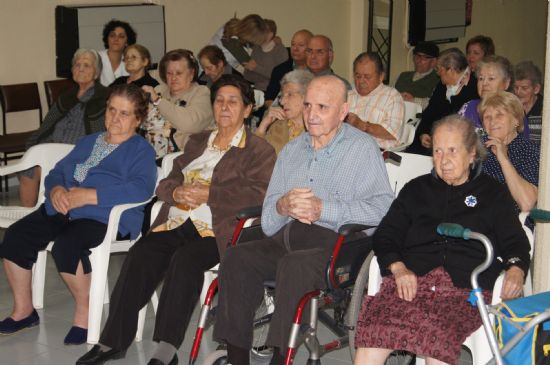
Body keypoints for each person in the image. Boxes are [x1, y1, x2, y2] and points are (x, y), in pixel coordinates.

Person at [76, 74, 277, 365]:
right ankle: (112, 342)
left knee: (185, 260)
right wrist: (177, 190)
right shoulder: (198, 142)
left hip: (218, 229)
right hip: (177, 220)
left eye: (233, 102)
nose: (224, 107)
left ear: (247, 110)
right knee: (141, 254)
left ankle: (165, 350)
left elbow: (260, 194)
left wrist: (211, 193)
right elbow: (165, 183)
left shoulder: (258, 150)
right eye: (219, 101)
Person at [213, 75, 394, 365]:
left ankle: (280, 359)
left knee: (292, 265)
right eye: (308, 105)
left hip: (337, 245)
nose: (311, 114)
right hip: (285, 238)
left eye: (322, 107)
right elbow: (271, 221)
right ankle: (237, 359)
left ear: (343, 111)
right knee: (236, 258)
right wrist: (282, 206)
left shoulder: (361, 148)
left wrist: (325, 210)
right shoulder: (291, 150)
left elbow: (384, 208)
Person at [354, 115, 531, 365]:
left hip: (463, 290)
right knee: (372, 337)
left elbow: (516, 241)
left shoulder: (492, 193)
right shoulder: (416, 189)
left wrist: (516, 268)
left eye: (452, 150)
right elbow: (386, 234)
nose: (444, 160)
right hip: (410, 284)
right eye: (437, 151)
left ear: (471, 154)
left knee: (436, 342)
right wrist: (398, 267)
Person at [0, 84, 157, 345]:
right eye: (112, 110)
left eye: (124, 113)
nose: (115, 118)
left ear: (138, 120)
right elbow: (57, 172)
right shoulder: (88, 141)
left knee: (67, 247)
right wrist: (57, 189)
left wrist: (89, 195)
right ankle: (23, 311)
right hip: (64, 208)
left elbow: (141, 188)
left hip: (104, 216)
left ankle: (84, 313)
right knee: (16, 237)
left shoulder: (141, 150)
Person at [21, 49, 109, 207]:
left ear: (96, 73)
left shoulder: (103, 98)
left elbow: (102, 134)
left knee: (46, 166)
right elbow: (46, 126)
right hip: (52, 146)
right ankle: (27, 214)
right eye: (77, 64)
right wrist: (32, 145)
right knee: (30, 165)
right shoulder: (66, 96)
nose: (80, 68)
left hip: (79, 151)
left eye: (86, 65)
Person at [141, 49, 213, 161]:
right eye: (169, 73)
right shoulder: (158, 90)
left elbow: (189, 123)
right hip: (148, 157)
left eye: (179, 73)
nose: (173, 78)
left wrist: (158, 101)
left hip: (184, 161)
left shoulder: (201, 92)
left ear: (191, 73)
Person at [407, 48, 479, 155]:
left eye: (439, 69)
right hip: (436, 136)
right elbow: (430, 110)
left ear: (451, 70)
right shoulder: (442, 85)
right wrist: (424, 132)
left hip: (457, 141)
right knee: (414, 150)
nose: (438, 73)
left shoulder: (474, 87)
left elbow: (463, 122)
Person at [479, 91, 539, 213]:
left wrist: (503, 158)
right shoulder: (475, 147)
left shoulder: (528, 150)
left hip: (510, 223)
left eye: (499, 115)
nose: (493, 121)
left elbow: (527, 203)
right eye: (487, 117)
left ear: (516, 120)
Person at [459, 55, 529, 137]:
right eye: (481, 78)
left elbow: (524, 145)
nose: (484, 83)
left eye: (491, 78)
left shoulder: (515, 110)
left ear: (506, 83)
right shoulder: (467, 108)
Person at [347, 52, 405, 150]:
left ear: (381, 76)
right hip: (347, 149)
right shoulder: (346, 96)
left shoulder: (392, 96)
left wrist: (362, 125)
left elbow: (393, 132)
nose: (361, 81)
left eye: (367, 77)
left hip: (379, 153)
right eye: (358, 76)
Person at [256, 69, 313, 153]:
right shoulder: (278, 125)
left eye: (289, 95)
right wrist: (262, 127)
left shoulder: (317, 129)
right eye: (282, 96)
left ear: (307, 95)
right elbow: (254, 156)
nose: (282, 102)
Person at [264, 29, 313, 108]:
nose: (295, 49)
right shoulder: (280, 70)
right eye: (293, 44)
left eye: (301, 45)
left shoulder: (318, 72)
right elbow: (268, 100)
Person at [243, 19, 289, 92]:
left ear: (270, 34)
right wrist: (269, 76)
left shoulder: (280, 50)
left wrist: (256, 68)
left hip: (275, 93)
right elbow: (247, 76)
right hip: (257, 91)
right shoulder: (256, 49)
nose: (258, 34)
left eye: (261, 32)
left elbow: (281, 76)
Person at [394, 41, 440, 110]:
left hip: (419, 118)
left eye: (424, 58)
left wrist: (413, 100)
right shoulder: (402, 75)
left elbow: (436, 104)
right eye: (417, 56)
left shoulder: (439, 79)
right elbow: (388, 93)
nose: (419, 61)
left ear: (434, 61)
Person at [98, 19, 137, 86]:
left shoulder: (130, 61)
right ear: (107, 39)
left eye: (121, 36)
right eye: (112, 35)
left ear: (127, 42)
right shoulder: (96, 57)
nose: (116, 39)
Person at [514, 61, 543, 144]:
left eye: (524, 88)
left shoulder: (545, 110)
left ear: (536, 89)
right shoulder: (511, 107)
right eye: (516, 87)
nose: (518, 92)